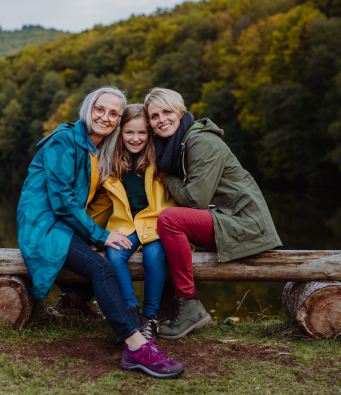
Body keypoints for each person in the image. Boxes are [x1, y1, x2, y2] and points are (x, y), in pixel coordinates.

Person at [17, 87, 184, 379]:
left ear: (118, 121)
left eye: (113, 114)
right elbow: (63, 202)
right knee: (103, 267)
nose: (105, 117)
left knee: (106, 255)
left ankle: (75, 302)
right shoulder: (64, 141)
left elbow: (94, 200)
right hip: (45, 226)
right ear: (88, 108)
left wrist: (111, 232)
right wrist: (100, 235)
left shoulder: (98, 148)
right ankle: (136, 346)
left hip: (64, 224)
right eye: (100, 109)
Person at [144, 88, 282, 339]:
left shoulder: (201, 141)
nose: (161, 119)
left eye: (167, 112)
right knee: (158, 230)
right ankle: (166, 308)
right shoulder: (178, 145)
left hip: (246, 224)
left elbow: (195, 200)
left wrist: (165, 177)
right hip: (226, 218)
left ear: (181, 113)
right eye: (154, 116)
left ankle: (189, 305)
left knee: (169, 220)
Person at [87, 104, 189, 341]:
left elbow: (175, 194)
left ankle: (151, 316)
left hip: (156, 225)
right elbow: (101, 204)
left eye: (142, 133)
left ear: (150, 134)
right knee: (115, 254)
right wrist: (86, 229)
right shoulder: (112, 165)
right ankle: (132, 313)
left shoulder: (159, 162)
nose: (135, 139)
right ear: (119, 133)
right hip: (127, 226)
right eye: (129, 133)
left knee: (154, 256)